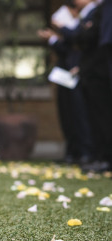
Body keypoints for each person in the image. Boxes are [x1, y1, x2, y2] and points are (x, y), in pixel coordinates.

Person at [38, 0, 94, 165]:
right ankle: (72, 150)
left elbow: (75, 44)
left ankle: (85, 151)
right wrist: (54, 40)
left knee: (79, 114)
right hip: (63, 73)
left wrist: (56, 36)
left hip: (77, 72)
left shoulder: (84, 21)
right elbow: (64, 50)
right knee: (66, 113)